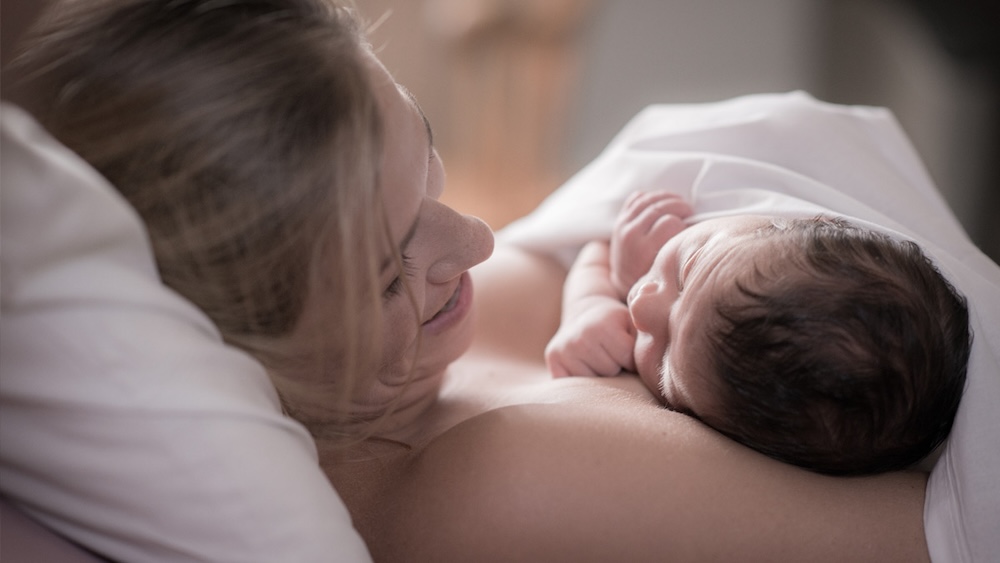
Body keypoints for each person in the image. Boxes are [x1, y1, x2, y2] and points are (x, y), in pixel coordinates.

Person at [7, 0, 999, 561]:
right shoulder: (479, 493)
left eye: (426, 161)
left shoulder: (419, 373)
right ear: (240, 342)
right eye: (392, 273)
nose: (477, 239)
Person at [546, 190, 971, 475]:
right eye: (687, 268)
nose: (640, 304)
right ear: (809, 219)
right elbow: (598, 231)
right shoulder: (740, 217)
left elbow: (594, 253)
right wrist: (618, 273)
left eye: (665, 367)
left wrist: (591, 302)